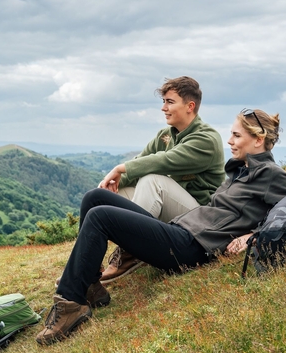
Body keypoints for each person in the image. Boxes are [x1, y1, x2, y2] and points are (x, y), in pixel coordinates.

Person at [36, 109, 286, 345]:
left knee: (100, 216)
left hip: (191, 247)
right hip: (183, 229)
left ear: (258, 140)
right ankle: (90, 286)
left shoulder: (272, 176)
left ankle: (71, 305)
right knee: (94, 198)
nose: (229, 140)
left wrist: (253, 236)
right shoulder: (242, 170)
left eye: (236, 135)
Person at [95, 76, 225, 284]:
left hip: (198, 216)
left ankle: (131, 251)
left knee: (152, 180)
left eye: (170, 102)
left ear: (190, 106)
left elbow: (163, 161)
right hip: (171, 211)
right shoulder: (165, 135)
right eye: (163, 102)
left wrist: (120, 168)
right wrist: (111, 183)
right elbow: (141, 162)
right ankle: (91, 266)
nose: (163, 108)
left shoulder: (206, 139)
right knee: (107, 197)